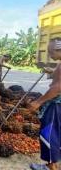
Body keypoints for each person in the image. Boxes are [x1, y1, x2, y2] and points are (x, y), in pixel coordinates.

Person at [28, 38, 61, 170]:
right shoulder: (59, 63)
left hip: (57, 105)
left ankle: (51, 166)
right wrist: (50, 72)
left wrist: (38, 102)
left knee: (49, 132)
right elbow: (57, 76)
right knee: (57, 133)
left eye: (51, 51)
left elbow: (58, 87)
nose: (49, 54)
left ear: (59, 49)